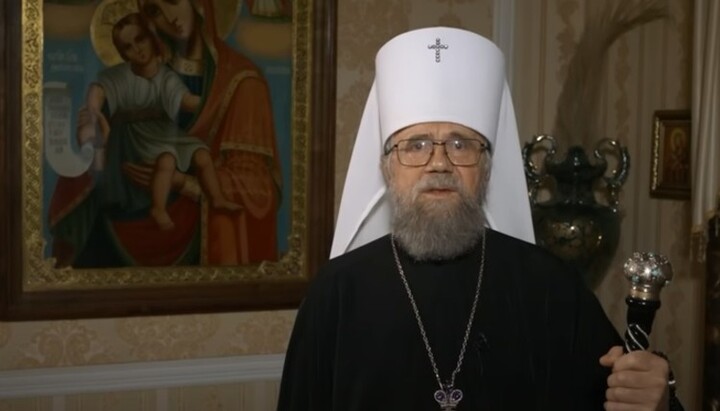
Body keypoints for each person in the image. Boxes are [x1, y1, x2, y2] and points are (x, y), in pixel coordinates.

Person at [277, 27, 679, 410]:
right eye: (415, 145)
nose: (439, 163)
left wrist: (658, 402)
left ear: (486, 168)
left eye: (460, 144)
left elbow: (624, 397)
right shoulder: (335, 295)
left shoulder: (553, 289)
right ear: (387, 168)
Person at [48, 0, 281, 267]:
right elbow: (98, 129)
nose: (169, 18)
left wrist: (183, 183)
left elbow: (257, 189)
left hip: (197, 238)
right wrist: (96, 142)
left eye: (173, 0)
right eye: (154, 11)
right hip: (115, 217)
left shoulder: (241, 82)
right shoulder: (133, 75)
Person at [82, 12, 241, 231]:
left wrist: (222, 99)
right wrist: (93, 111)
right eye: (128, 47)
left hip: (162, 130)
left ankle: (217, 198)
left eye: (140, 39)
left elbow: (187, 101)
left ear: (150, 37)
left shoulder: (166, 76)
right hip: (135, 135)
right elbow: (98, 89)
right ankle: (158, 208)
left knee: (202, 154)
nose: (137, 49)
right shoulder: (119, 75)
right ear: (122, 53)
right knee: (167, 159)